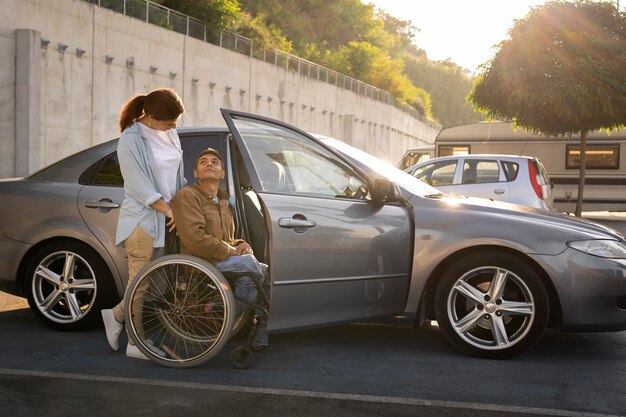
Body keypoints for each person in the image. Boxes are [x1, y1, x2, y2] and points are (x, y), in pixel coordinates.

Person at [101, 88, 186, 360]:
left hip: (165, 219)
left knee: (149, 282)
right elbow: (139, 187)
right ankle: (135, 344)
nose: (174, 126)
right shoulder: (130, 140)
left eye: (176, 121)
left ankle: (114, 316)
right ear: (150, 116)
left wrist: (180, 209)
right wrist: (169, 210)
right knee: (140, 284)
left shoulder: (169, 133)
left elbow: (175, 178)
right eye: (169, 121)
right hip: (142, 222)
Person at [171, 148, 270, 347]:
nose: (209, 164)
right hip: (201, 261)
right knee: (251, 266)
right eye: (203, 162)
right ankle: (224, 315)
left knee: (265, 270)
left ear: (222, 173)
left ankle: (260, 324)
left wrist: (242, 246)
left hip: (222, 259)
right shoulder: (188, 196)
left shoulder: (223, 202)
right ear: (196, 173)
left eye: (215, 162)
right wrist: (230, 251)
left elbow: (228, 239)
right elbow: (194, 238)